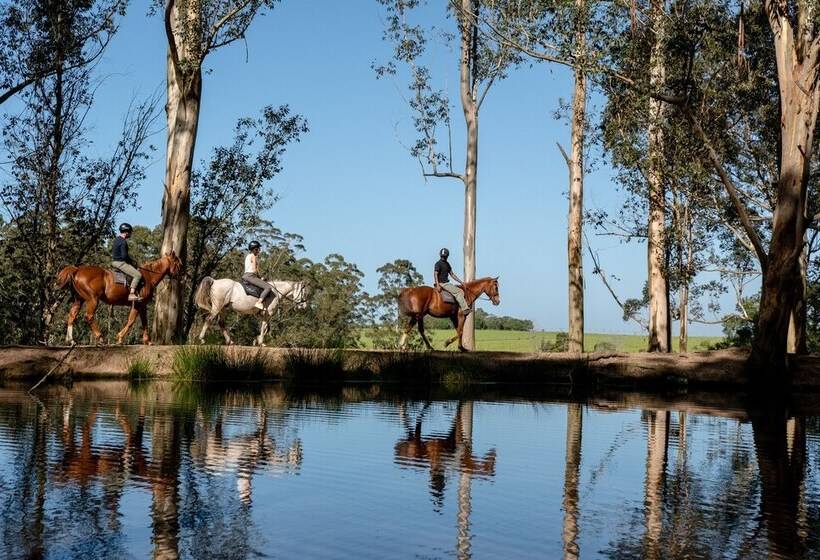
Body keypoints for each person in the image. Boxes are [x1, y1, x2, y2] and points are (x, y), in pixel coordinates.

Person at [434, 248, 471, 316]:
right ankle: (465, 309)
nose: (443, 257)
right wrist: (438, 284)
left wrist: (461, 282)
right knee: (459, 291)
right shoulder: (438, 264)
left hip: (446, 283)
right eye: (442, 256)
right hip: (443, 284)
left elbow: (452, 274)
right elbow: (435, 274)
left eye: (444, 256)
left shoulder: (447, 264)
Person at [111, 223, 142, 302]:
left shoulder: (116, 239)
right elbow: (124, 256)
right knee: (138, 275)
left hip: (114, 262)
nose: (130, 234)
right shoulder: (123, 242)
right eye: (130, 232)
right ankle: (131, 294)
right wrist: (133, 262)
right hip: (120, 263)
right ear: (127, 232)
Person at [243, 240, 272, 310]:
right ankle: (259, 302)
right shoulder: (253, 256)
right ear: (255, 249)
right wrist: (260, 277)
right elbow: (254, 269)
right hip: (250, 276)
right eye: (258, 249)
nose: (259, 250)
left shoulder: (248, 256)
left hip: (245, 275)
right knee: (268, 287)